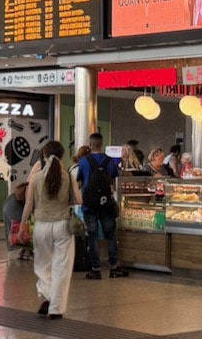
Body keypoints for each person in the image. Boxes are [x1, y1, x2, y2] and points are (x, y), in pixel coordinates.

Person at [19, 142, 80, 320]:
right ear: (62, 156)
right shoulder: (68, 176)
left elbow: (28, 204)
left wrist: (22, 225)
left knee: (42, 265)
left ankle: (47, 294)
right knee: (62, 267)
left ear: (44, 156)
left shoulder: (36, 178)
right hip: (63, 225)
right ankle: (56, 308)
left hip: (41, 225)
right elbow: (78, 199)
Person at [76, 132, 126, 279]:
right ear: (102, 144)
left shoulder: (83, 161)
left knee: (92, 236)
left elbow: (80, 182)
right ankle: (114, 267)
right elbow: (113, 183)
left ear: (90, 144)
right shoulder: (110, 162)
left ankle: (96, 269)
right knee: (110, 235)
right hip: (106, 204)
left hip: (89, 205)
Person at [2, 182, 32, 260]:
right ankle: (27, 251)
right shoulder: (36, 183)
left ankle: (23, 251)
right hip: (15, 205)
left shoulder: (31, 180)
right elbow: (29, 204)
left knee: (17, 229)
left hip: (9, 203)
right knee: (25, 229)